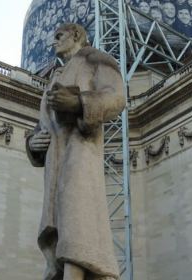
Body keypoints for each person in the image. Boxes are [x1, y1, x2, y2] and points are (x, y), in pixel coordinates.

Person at [26, 23, 125, 280]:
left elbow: (116, 97)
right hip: (55, 164)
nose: (53, 42)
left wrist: (79, 103)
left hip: (81, 154)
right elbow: (41, 126)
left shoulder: (95, 59)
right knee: (58, 224)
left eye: (59, 36)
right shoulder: (55, 78)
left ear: (77, 35)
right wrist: (33, 143)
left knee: (77, 221)